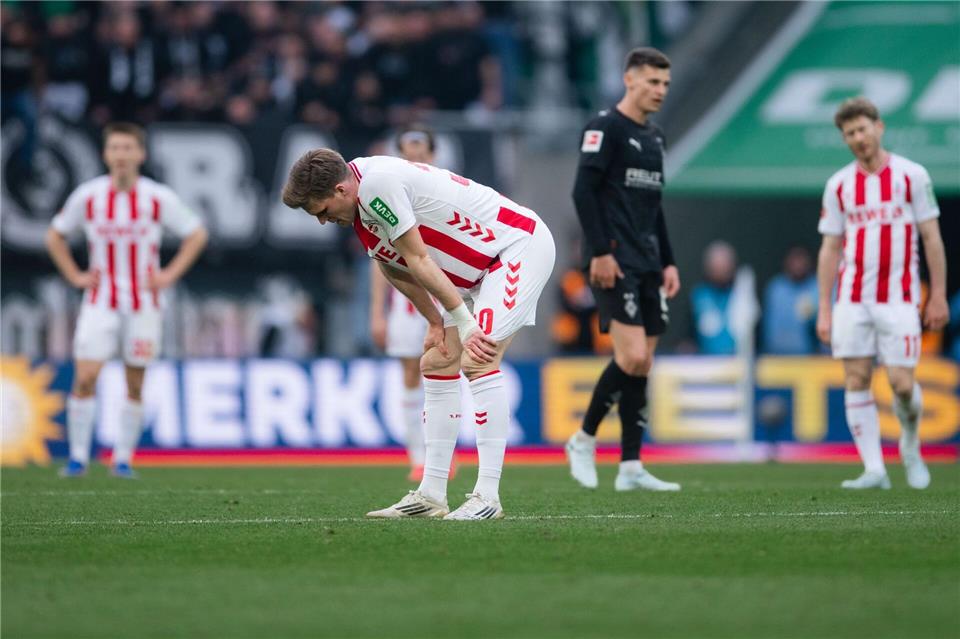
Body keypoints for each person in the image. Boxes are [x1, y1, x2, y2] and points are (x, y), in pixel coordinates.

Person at [281, 148, 555, 520]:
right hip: (479, 273)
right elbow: (394, 267)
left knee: (478, 357)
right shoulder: (361, 199)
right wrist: (434, 322)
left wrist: (462, 321)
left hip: (516, 248)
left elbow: (420, 258)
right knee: (438, 360)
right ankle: (431, 495)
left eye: (323, 211)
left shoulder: (378, 186)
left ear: (342, 190)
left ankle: (487, 497)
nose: (324, 221)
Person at [46, 122, 208, 478]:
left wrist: (169, 274)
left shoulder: (156, 197)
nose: (121, 155)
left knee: (135, 381)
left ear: (140, 154)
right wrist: (75, 275)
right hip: (100, 301)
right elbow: (55, 235)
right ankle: (77, 458)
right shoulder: (88, 196)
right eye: (115, 148)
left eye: (127, 148)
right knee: (86, 376)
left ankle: (122, 459)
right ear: (105, 154)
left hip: (143, 303)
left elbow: (195, 234)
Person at [816, 97, 949, 490]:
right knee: (856, 377)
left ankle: (910, 444)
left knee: (902, 384)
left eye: (862, 129)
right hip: (852, 298)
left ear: (880, 127)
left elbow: (931, 238)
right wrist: (825, 307)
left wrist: (938, 294)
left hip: (899, 297)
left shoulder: (912, 176)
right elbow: (829, 248)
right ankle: (874, 468)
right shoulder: (839, 185)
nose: (858, 138)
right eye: (849, 133)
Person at [564, 47, 681, 492]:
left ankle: (631, 464)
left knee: (642, 363)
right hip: (615, 260)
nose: (660, 91)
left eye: (666, 84)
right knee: (631, 356)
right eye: (653, 82)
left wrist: (668, 260)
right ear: (629, 79)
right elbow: (582, 193)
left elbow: (655, 207)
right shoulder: (604, 128)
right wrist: (600, 252)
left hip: (649, 261)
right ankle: (583, 438)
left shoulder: (655, 137)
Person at [368, 125, 453, 482]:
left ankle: (445, 453)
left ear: (432, 156)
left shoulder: (450, 190)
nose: (414, 161)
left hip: (447, 296)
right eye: (408, 155)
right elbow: (379, 258)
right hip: (406, 302)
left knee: (449, 371)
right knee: (410, 373)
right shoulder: (389, 194)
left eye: (420, 155)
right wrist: (377, 312)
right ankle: (418, 456)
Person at [762, 246, 819, 355]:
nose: (798, 265)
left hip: (809, 358)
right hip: (776, 357)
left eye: (801, 260)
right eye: (794, 260)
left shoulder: (817, 288)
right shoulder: (776, 288)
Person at [690, 240, 738, 355]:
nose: (720, 271)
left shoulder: (742, 294)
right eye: (716, 267)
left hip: (739, 363)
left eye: (723, 266)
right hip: (705, 363)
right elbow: (689, 333)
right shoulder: (699, 294)